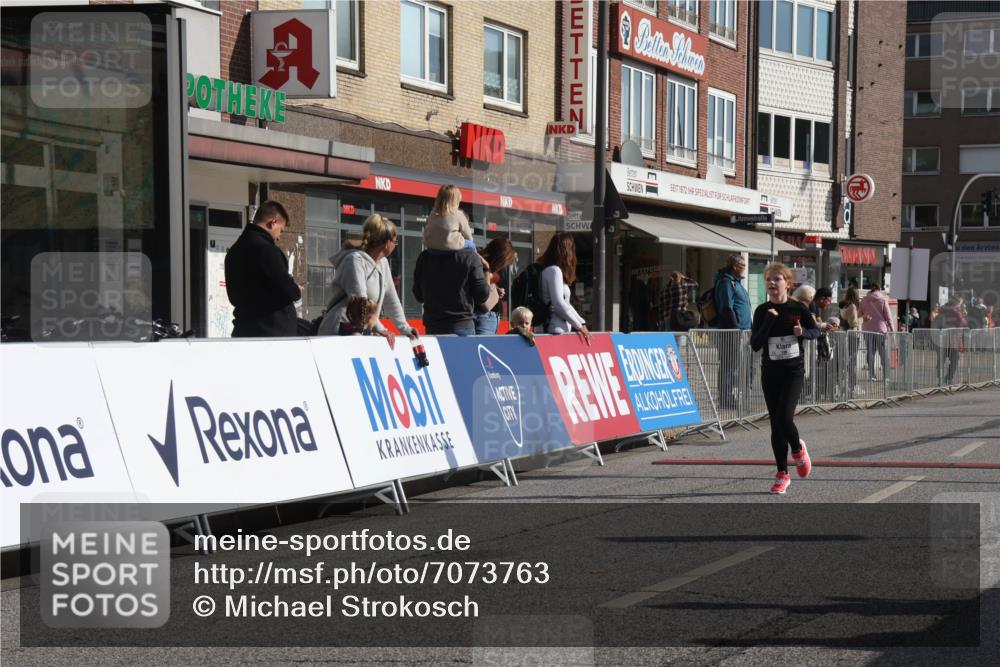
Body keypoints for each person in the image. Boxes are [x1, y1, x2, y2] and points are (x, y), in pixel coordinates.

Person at [750, 263, 820, 495]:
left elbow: (815, 331)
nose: (771, 283)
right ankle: (782, 474)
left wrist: (803, 333)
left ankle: (798, 450)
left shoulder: (798, 308)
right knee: (775, 424)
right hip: (770, 373)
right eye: (768, 279)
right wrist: (769, 321)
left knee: (784, 418)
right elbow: (756, 345)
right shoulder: (762, 311)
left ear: (787, 284)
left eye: (777, 279)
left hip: (793, 372)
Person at [317, 214, 417, 348]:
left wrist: (406, 329)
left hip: (360, 332)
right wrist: (381, 329)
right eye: (395, 241)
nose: (395, 245)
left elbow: (391, 301)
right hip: (340, 330)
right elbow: (361, 302)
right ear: (387, 242)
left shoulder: (383, 263)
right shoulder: (354, 260)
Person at [224, 200, 302, 338]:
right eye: (280, 231)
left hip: (244, 329)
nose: (278, 237)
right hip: (271, 333)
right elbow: (288, 290)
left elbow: (234, 297)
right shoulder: (266, 250)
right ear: (273, 222)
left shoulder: (234, 251)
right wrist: (296, 289)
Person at [413, 242, 490, 337]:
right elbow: (482, 296)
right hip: (462, 325)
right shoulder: (470, 256)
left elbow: (419, 295)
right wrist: (486, 270)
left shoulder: (424, 257)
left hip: (433, 326)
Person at [713, 254, 751, 409]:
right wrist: (735, 330)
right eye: (743, 266)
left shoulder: (735, 282)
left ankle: (731, 395)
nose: (744, 269)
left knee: (734, 365)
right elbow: (726, 308)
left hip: (742, 331)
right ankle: (726, 398)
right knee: (729, 365)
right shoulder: (726, 282)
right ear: (735, 266)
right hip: (732, 332)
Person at [539, 233, 591, 342]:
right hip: (556, 329)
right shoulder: (554, 271)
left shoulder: (552, 270)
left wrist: (581, 322)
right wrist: (580, 325)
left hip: (559, 328)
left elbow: (565, 304)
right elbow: (559, 304)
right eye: (572, 248)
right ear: (566, 250)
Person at [475, 238, 517, 335]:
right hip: (484, 317)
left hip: (488, 317)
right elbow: (483, 297)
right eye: (505, 263)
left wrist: (495, 291)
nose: (504, 266)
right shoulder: (483, 267)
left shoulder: (484, 266)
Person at [423, 184, 475, 251]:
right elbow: (469, 237)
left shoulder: (432, 214)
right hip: (449, 247)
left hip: (431, 248)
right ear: (456, 201)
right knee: (471, 244)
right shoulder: (458, 214)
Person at [860, 284, 893, 380]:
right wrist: (891, 329)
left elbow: (859, 314)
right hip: (880, 329)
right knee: (883, 352)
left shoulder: (864, 300)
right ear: (879, 290)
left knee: (870, 352)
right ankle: (886, 376)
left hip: (867, 329)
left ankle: (871, 375)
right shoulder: (883, 300)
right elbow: (888, 316)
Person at [934, 296, 967, 385]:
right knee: (954, 360)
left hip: (941, 339)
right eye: (960, 302)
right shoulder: (956, 311)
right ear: (957, 302)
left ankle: (940, 379)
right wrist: (963, 314)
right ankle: (948, 379)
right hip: (953, 340)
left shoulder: (942, 309)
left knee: (941, 360)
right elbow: (963, 322)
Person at [839, 287, 863, 392]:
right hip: (853, 335)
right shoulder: (852, 306)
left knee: (846, 360)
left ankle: (846, 384)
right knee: (852, 361)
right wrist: (863, 319)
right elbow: (853, 323)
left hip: (845, 335)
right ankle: (852, 386)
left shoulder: (844, 305)